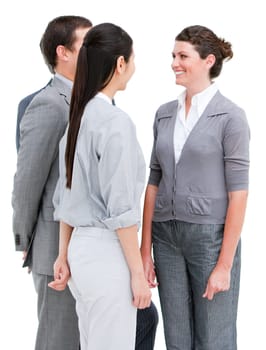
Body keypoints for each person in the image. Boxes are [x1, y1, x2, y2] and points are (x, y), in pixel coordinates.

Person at [14, 17, 158, 350]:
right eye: (133, 58)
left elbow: (64, 196)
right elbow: (121, 209)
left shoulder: (80, 116)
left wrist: (65, 254)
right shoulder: (111, 121)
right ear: (120, 63)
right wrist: (138, 273)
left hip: (78, 251)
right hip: (106, 252)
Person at [140, 25, 250, 350]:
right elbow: (152, 182)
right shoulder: (163, 115)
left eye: (183, 56)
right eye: (173, 56)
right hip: (165, 237)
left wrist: (225, 264)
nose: (175, 62)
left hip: (210, 239)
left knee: (213, 338)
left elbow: (239, 194)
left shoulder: (231, 117)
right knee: (176, 339)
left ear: (208, 60)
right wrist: (145, 251)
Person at [12, 15, 93, 350]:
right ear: (64, 52)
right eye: (88, 45)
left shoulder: (94, 101)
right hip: (53, 249)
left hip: (89, 246)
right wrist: (25, 242)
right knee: (59, 341)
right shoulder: (48, 104)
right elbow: (28, 183)